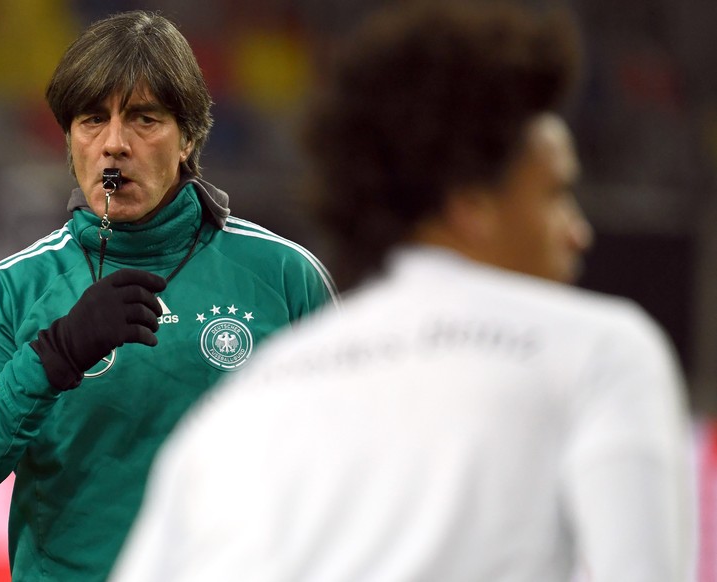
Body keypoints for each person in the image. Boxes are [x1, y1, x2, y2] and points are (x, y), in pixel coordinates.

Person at [110, 1, 696, 581]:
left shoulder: (246, 398)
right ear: (471, 204)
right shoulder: (603, 352)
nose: (578, 230)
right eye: (554, 193)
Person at [0, 10, 337, 581]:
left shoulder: (286, 278)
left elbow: (352, 469)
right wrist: (51, 357)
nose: (114, 145)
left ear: (188, 138)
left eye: (144, 119)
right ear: (68, 141)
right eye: (91, 121)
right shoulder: (12, 291)